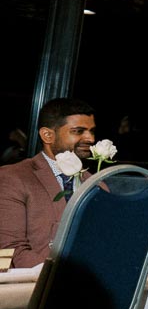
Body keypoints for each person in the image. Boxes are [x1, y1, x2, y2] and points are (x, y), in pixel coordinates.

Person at [0, 97, 96, 268]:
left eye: (92, 131)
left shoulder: (96, 184)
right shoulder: (13, 178)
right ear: (47, 135)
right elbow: (10, 251)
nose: (90, 139)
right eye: (78, 131)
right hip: (36, 281)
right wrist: (67, 275)